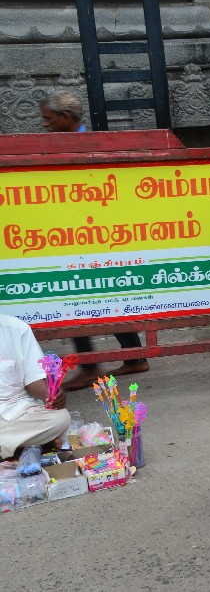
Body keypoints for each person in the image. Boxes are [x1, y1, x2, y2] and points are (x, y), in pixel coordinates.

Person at [37, 90, 149, 389]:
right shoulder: (57, 145)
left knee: (86, 296)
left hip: (94, 232)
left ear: (65, 117)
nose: (45, 125)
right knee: (89, 295)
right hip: (74, 231)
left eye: (48, 119)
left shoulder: (93, 143)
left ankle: (99, 363)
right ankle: (129, 357)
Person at [0, 313, 70, 460]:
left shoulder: (17, 328)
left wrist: (50, 395)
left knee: (60, 418)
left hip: (16, 411)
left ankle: (15, 448)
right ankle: (24, 447)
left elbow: (33, 378)